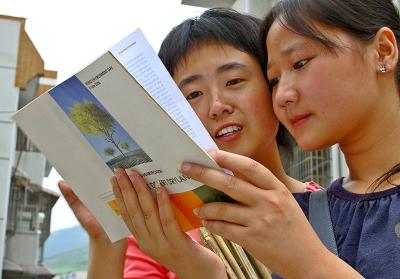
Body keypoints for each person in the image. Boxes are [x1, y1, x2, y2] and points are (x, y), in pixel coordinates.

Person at [144, 0, 400, 278]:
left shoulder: (299, 225)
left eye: (300, 63)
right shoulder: (312, 214)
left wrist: (310, 264)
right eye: (275, 79)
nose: (282, 94)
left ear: (383, 51)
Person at [60, 8, 321, 279]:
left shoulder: (337, 209)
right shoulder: (160, 233)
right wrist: (105, 241)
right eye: (193, 94)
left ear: (274, 85)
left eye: (234, 81)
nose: (217, 106)